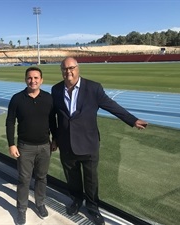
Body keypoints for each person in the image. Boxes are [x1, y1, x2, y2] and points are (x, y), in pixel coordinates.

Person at [51, 57, 148, 225]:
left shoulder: (93, 88)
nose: (69, 72)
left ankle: (93, 207)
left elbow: (111, 105)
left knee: (91, 179)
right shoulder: (56, 89)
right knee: (72, 177)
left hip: (89, 143)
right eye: (65, 69)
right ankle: (75, 201)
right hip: (66, 144)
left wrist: (132, 120)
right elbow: (53, 116)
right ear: (61, 71)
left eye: (72, 68)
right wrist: (54, 138)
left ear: (78, 68)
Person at [5, 67, 57, 225]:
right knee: (24, 180)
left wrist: (55, 139)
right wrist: (11, 144)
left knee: (42, 178)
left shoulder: (48, 98)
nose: (33, 81)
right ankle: (21, 209)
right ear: (25, 79)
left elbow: (52, 121)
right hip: (24, 147)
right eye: (29, 78)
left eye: (36, 78)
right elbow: (10, 122)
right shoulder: (17, 99)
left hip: (44, 146)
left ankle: (40, 203)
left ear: (41, 80)